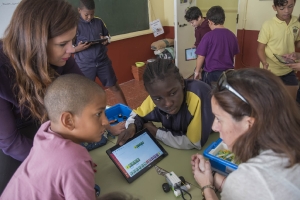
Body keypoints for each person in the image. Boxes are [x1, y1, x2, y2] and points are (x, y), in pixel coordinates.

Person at [0, 0, 83, 194]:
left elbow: (82, 95)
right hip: (18, 138)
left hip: (47, 122)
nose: (71, 50)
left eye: (72, 41)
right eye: (63, 44)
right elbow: (10, 142)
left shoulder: (61, 58)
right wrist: (59, 159)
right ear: (35, 44)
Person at [191, 68, 300, 200]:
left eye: (219, 119)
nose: (214, 127)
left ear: (249, 124)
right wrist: (215, 178)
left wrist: (206, 186)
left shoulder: (247, 182)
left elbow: (252, 187)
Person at [1, 74, 109, 199]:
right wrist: (77, 166)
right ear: (68, 121)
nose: (105, 121)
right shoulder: (74, 161)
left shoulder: (45, 132)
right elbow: (70, 163)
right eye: (98, 114)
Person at [117, 58, 214, 150]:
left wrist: (156, 132)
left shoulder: (199, 94)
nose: (168, 103)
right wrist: (132, 127)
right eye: (158, 98)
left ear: (181, 82)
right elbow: (136, 115)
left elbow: (194, 142)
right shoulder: (156, 95)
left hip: (212, 141)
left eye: (173, 93)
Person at [74, 0, 127, 105]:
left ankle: (129, 112)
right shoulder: (74, 25)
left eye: (92, 14)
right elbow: (68, 47)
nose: (89, 17)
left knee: (114, 86)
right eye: (86, 15)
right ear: (79, 10)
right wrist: (77, 49)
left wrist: (106, 40)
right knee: (85, 93)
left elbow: (107, 37)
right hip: (85, 65)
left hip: (103, 62)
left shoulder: (99, 22)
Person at [257, 0, 300, 100]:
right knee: (269, 102)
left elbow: (297, 42)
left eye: (290, 6)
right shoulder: (268, 25)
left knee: (291, 102)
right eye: (282, 8)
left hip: (289, 69)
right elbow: (260, 48)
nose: (286, 11)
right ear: (274, 7)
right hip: (271, 70)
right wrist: (264, 63)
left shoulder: (297, 22)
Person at [194, 6, 239, 86]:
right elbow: (234, 54)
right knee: (223, 95)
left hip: (211, 74)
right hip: (228, 74)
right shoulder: (232, 35)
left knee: (210, 94)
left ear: (210, 22)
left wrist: (197, 71)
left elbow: (201, 56)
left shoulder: (208, 36)